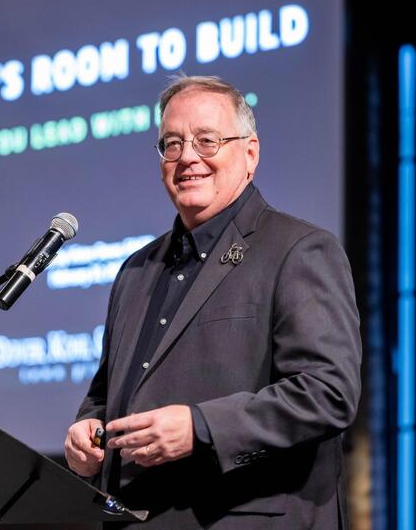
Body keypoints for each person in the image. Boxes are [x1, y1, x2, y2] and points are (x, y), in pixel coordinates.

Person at [64, 75, 361, 529]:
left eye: (207, 140)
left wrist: (200, 428)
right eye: (172, 144)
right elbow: (105, 396)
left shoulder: (298, 249)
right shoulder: (135, 271)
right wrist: (90, 433)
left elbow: (328, 392)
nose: (187, 158)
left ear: (250, 154)